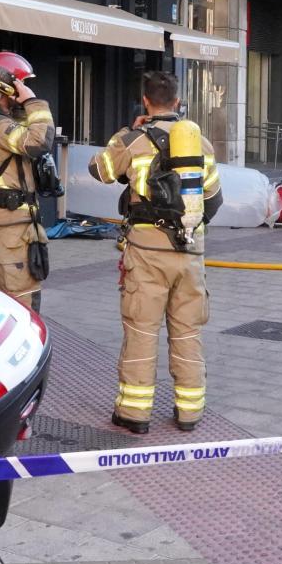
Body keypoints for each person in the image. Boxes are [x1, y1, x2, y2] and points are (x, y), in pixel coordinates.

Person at [90, 71, 224, 434]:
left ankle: (134, 414)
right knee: (186, 333)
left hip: (146, 253)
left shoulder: (133, 140)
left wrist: (125, 133)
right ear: (177, 102)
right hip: (190, 254)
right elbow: (213, 201)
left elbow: (99, 170)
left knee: (141, 331)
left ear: (145, 102)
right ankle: (189, 412)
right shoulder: (202, 145)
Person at [0, 51, 55, 310]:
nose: (25, 87)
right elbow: (39, 142)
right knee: (21, 301)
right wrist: (34, 102)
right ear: (6, 84)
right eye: (21, 82)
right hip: (11, 227)